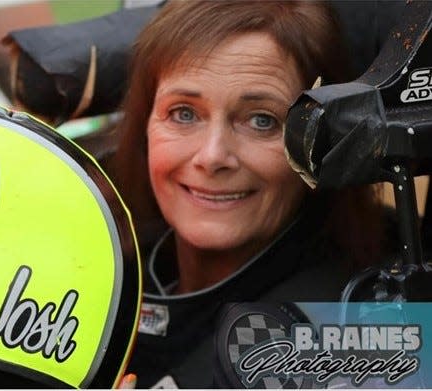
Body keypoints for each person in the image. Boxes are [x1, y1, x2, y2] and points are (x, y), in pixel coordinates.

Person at [108, 1, 396, 388]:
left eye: (262, 120)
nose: (212, 157)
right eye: (184, 113)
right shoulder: (101, 265)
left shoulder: (375, 320)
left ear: (325, 144)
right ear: (143, 125)